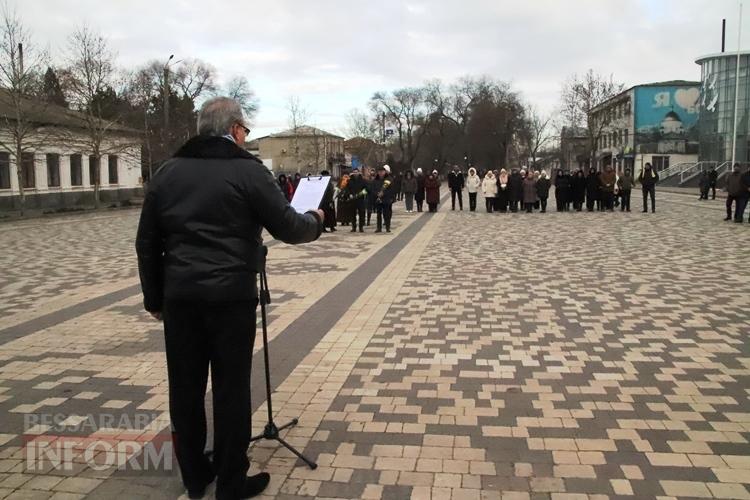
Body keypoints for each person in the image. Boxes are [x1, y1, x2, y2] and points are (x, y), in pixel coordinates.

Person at [135, 97, 324, 500]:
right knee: (231, 389)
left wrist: (155, 298)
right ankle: (231, 481)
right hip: (231, 300)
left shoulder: (167, 172)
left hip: (181, 298)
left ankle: (195, 475)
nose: (246, 136)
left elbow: (147, 242)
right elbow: (289, 226)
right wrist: (317, 221)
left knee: (184, 388)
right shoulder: (247, 171)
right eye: (246, 130)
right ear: (235, 129)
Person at [372, 164, 394, 232]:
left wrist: (383, 193)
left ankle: (387, 227)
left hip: (386, 199)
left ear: (385, 172)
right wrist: (377, 194)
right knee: (378, 214)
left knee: (386, 214)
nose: (381, 173)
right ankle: (379, 228)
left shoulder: (389, 179)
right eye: (379, 171)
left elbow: (391, 189)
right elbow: (372, 189)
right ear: (378, 172)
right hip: (378, 199)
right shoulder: (375, 180)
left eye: (382, 171)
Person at [346, 167, 368, 232]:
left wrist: (362, 193)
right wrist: (349, 194)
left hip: (360, 199)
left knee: (361, 214)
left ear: (359, 173)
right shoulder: (349, 181)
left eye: (357, 172)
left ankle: (361, 227)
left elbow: (366, 189)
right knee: (352, 214)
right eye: (354, 172)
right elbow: (347, 189)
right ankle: (354, 227)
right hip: (352, 199)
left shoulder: (363, 180)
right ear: (353, 173)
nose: (355, 173)